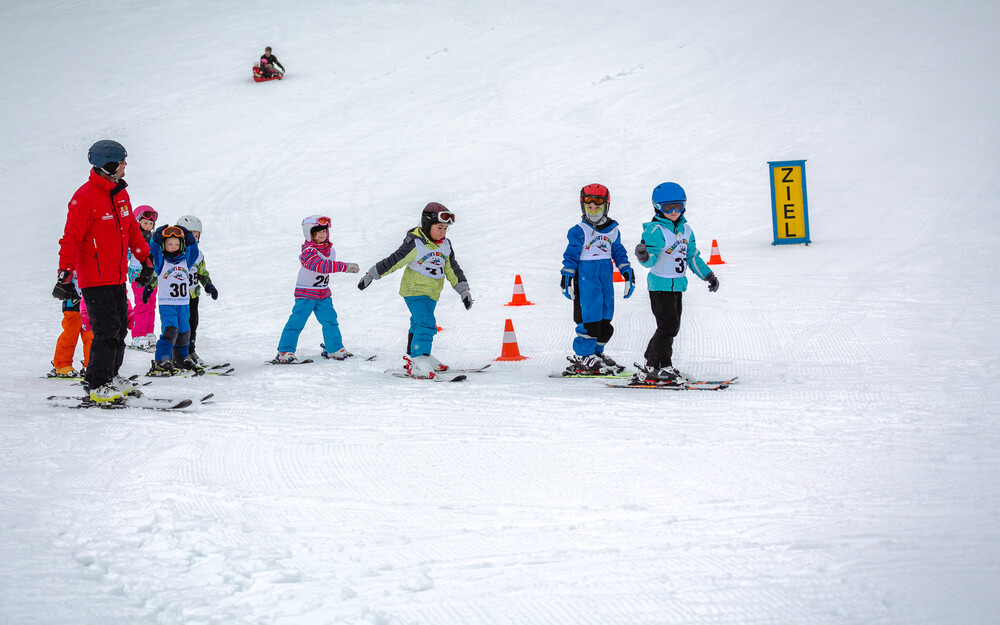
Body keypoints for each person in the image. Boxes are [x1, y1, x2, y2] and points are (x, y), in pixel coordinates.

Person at [54, 139, 154, 403]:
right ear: (109, 165)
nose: (125, 166)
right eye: (122, 161)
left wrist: (146, 260)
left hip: (117, 276)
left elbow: (132, 231)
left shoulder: (121, 194)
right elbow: (70, 238)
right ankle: (97, 384)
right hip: (94, 279)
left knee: (120, 327)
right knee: (106, 330)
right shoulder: (84, 197)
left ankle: (111, 375)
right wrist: (65, 273)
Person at [357, 202, 473, 378]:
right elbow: (394, 261)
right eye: (439, 227)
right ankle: (419, 359)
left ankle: (416, 356)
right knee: (426, 323)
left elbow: (452, 269)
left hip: (432, 293)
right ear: (427, 225)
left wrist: (463, 290)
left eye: (445, 228)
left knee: (419, 324)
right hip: (414, 291)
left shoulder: (445, 245)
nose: (443, 232)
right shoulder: (415, 244)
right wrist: (371, 275)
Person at [631, 182, 720, 385]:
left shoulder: (686, 231)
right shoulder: (655, 230)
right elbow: (651, 258)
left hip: (677, 286)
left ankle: (659, 364)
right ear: (657, 207)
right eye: (668, 207)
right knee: (668, 326)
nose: (673, 212)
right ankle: (655, 366)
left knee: (670, 327)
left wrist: (708, 275)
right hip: (660, 286)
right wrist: (644, 256)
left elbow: (693, 258)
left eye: (678, 207)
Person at [560, 183, 634, 375]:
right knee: (589, 319)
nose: (593, 209)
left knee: (605, 321)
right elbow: (571, 255)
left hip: (605, 279)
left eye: (597, 206)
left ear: (606, 205)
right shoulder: (578, 230)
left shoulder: (613, 230)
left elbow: (618, 252)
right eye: (589, 206)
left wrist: (626, 271)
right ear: (583, 206)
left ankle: (596, 354)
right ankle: (583, 357)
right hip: (586, 278)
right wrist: (567, 277)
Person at [274, 216, 359, 363]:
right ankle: (285, 351)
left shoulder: (330, 250)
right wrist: (344, 266)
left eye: (324, 231)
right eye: (318, 231)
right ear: (309, 233)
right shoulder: (308, 251)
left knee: (330, 320)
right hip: (306, 293)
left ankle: (334, 348)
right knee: (297, 322)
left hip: (323, 293)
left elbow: (326, 265)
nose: (322, 234)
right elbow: (321, 266)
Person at [142, 225, 201, 376]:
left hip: (183, 304)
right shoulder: (161, 263)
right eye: (169, 244)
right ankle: (162, 360)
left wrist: (188, 234)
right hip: (167, 303)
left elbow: (193, 251)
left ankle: (181, 358)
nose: (173, 247)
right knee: (170, 331)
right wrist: (157, 237)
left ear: (181, 245)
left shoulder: (185, 261)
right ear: (164, 245)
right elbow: (154, 251)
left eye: (176, 244)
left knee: (184, 332)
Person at [174, 215, 218, 367]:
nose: (193, 238)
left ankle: (190, 351)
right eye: (190, 234)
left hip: (193, 296)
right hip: (177, 297)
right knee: (179, 326)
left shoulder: (198, 255)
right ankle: (179, 354)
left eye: (196, 235)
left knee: (193, 324)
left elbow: (202, 273)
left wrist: (209, 286)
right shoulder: (174, 253)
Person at [48, 272, 92, 378]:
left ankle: (91, 364)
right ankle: (62, 364)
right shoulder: (70, 262)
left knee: (91, 335)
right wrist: (69, 290)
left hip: (90, 305)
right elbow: (63, 277)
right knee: (70, 334)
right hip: (72, 305)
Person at [128, 205, 159, 351]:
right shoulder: (133, 238)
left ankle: (148, 332)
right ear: (137, 222)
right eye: (145, 222)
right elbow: (125, 255)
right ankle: (137, 335)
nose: (148, 226)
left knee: (151, 303)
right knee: (142, 304)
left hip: (152, 276)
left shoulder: (154, 239)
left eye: (151, 223)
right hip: (138, 275)